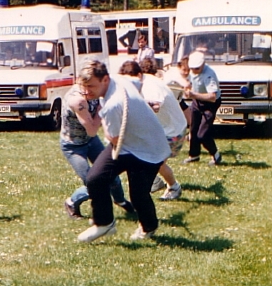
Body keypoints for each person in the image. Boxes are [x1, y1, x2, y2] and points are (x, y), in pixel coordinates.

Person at [76, 60, 170, 243]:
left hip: (148, 149)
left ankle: (149, 227)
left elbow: (114, 139)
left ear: (105, 79)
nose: (87, 91)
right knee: (95, 178)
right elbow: (137, 82)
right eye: (84, 86)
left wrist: (138, 112)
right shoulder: (119, 79)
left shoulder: (112, 105)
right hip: (127, 144)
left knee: (138, 194)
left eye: (91, 86)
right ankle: (104, 223)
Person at [60, 82, 132, 219]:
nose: (91, 91)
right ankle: (71, 202)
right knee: (94, 183)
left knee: (111, 172)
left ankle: (120, 200)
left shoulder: (97, 91)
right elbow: (92, 130)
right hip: (73, 146)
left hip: (91, 142)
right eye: (87, 85)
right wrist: (102, 109)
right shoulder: (77, 100)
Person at [137, 58, 187, 200]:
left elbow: (156, 107)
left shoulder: (150, 84)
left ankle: (173, 187)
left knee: (155, 160)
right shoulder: (148, 81)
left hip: (172, 131)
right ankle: (156, 180)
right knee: (145, 156)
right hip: (167, 128)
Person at [184, 51, 222, 165]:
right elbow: (190, 81)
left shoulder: (209, 75)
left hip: (210, 104)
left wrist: (193, 95)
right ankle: (194, 154)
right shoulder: (191, 71)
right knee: (193, 128)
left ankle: (216, 155)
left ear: (203, 64)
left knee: (203, 134)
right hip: (197, 101)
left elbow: (212, 97)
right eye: (192, 68)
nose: (194, 70)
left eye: (197, 68)